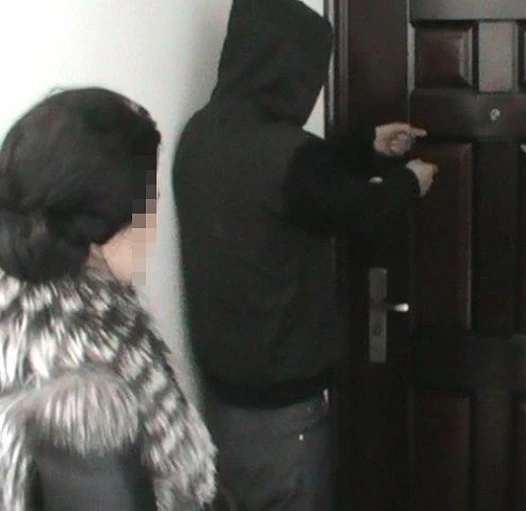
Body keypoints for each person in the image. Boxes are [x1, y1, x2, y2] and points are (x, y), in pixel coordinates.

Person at [172, 0, 439, 509]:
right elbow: (357, 209)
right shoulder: (290, 157)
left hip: (224, 408)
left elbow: (295, 186)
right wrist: (409, 182)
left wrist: (366, 147)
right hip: (284, 418)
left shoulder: (200, 134)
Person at [0, 88, 218, 510]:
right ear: (105, 222)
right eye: (150, 201)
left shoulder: (33, 317)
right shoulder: (83, 400)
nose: (155, 218)